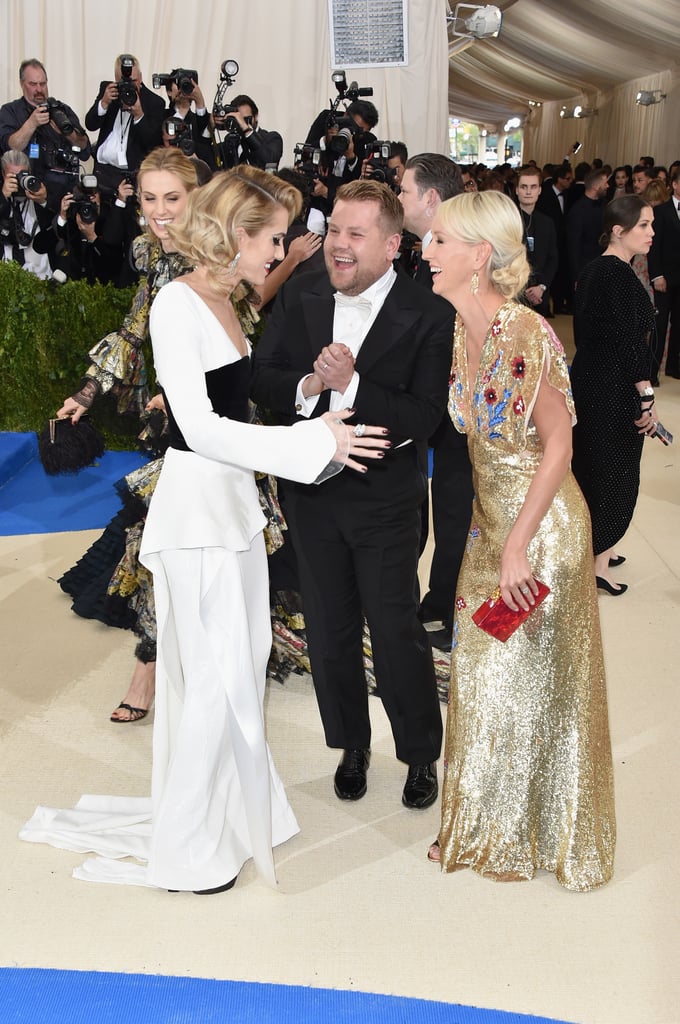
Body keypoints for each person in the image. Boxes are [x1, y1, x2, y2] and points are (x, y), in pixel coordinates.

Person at [20, 166, 389, 894]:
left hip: (234, 510)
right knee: (213, 680)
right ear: (234, 234)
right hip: (196, 515)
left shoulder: (226, 298)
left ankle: (231, 808)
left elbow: (243, 391)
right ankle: (192, 846)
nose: (280, 252)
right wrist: (313, 445)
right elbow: (199, 427)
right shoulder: (176, 305)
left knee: (237, 670)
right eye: (272, 239)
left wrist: (312, 395)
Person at [423, 190, 615, 891]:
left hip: (544, 527)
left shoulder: (525, 329)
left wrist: (518, 548)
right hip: (489, 526)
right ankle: (481, 826)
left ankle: (549, 834)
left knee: (545, 687)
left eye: (440, 241)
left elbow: (561, 443)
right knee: (481, 676)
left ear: (479, 256)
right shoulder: (453, 330)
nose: (428, 250)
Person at [251, 179, 453, 810]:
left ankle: (419, 753)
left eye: (354, 234)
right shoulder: (301, 293)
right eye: (334, 229)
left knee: (396, 629)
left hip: (386, 497)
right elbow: (263, 377)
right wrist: (313, 384)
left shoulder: (429, 313)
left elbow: (427, 417)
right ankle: (351, 744)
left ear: (393, 245)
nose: (337, 244)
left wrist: (356, 383)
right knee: (330, 629)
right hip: (310, 493)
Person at [56, 148, 202, 722]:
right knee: (162, 545)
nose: (160, 212)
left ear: (195, 199)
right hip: (165, 423)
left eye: (173, 198)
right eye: (149, 198)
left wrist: (188, 395)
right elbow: (131, 334)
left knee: (156, 541)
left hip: (203, 427)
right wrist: (84, 395)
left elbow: (242, 345)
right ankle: (160, 660)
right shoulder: (156, 264)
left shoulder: (211, 263)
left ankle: (146, 674)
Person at [398, 153, 474, 649]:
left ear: (429, 198)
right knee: (426, 513)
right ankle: (430, 604)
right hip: (422, 406)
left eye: (403, 190)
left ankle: (448, 611)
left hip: (460, 406)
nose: (397, 199)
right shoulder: (413, 250)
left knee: (458, 512)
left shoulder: (462, 252)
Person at [571, 195, 657, 594]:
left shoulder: (593, 271)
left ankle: (597, 548)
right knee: (614, 474)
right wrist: (645, 390)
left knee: (591, 466)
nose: (651, 233)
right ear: (619, 231)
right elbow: (628, 340)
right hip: (614, 387)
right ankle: (597, 565)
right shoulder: (619, 276)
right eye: (644, 225)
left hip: (588, 381)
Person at [0, 59, 90, 205]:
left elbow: (85, 149)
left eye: (42, 84)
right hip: (26, 194)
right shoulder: (10, 111)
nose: (39, 89)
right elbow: (9, 147)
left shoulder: (62, 110)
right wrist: (31, 123)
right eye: (33, 84)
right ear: (22, 84)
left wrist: (69, 134)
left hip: (62, 197)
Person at [85, 54, 165, 198]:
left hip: (130, 178)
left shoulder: (154, 102)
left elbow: (152, 144)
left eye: (133, 81)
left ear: (140, 78)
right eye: (124, 81)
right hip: (102, 173)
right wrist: (103, 103)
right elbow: (90, 125)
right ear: (116, 79)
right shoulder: (109, 91)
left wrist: (139, 115)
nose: (129, 86)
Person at [0, 149, 56, 278]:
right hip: (5, 275)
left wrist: (43, 201)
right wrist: (3, 197)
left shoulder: (41, 191)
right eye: (13, 176)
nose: (19, 181)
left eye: (22, 174)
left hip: (41, 274)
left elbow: (58, 224)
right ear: (3, 174)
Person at [647, 165, 680, 379]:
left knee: (678, 323)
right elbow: (654, 247)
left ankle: (673, 366)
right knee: (659, 323)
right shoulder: (661, 211)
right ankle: (652, 369)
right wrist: (657, 275)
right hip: (664, 278)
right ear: (674, 185)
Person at [515, 163, 558, 318]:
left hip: (540, 293)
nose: (528, 191)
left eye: (533, 187)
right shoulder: (508, 221)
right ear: (517, 190)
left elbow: (553, 258)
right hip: (514, 293)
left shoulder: (547, 222)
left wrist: (541, 286)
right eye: (524, 187)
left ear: (539, 190)